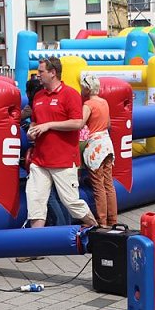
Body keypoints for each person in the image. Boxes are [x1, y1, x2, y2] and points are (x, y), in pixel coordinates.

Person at [25, 57, 97, 229]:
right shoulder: (39, 96)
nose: (37, 75)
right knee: (35, 202)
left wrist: (49, 125)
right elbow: (35, 121)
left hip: (63, 160)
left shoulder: (70, 94)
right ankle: (35, 242)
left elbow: (77, 123)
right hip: (40, 160)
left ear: (53, 73)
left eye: (41, 71)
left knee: (71, 202)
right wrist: (31, 131)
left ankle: (96, 228)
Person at [80, 74, 117, 227]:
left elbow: (80, 123)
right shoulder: (104, 102)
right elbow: (108, 124)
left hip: (95, 146)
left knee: (98, 186)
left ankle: (102, 222)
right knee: (109, 184)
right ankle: (113, 220)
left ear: (87, 88)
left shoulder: (88, 105)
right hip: (107, 144)